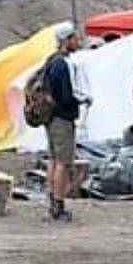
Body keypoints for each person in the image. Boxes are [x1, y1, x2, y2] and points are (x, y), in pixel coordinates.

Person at [43, 24, 83, 223]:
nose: (78, 42)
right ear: (67, 40)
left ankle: (52, 200)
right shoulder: (63, 64)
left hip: (50, 117)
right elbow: (67, 95)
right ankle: (58, 204)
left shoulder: (50, 61)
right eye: (75, 38)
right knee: (63, 163)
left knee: (53, 159)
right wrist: (82, 100)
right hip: (62, 118)